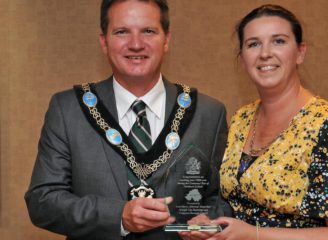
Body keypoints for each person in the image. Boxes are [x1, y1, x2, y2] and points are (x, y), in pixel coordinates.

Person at [24, 0, 230, 239]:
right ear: (104, 41)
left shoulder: (207, 113)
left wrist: (209, 222)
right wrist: (118, 216)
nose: (135, 44)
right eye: (122, 32)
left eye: (148, 31)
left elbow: (221, 200)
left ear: (166, 40)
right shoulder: (68, 109)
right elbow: (43, 201)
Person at [181, 4, 328, 240]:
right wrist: (212, 224)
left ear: (300, 52)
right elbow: (237, 204)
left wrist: (255, 234)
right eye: (253, 44)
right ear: (243, 59)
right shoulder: (241, 120)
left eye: (278, 41)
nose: (265, 53)